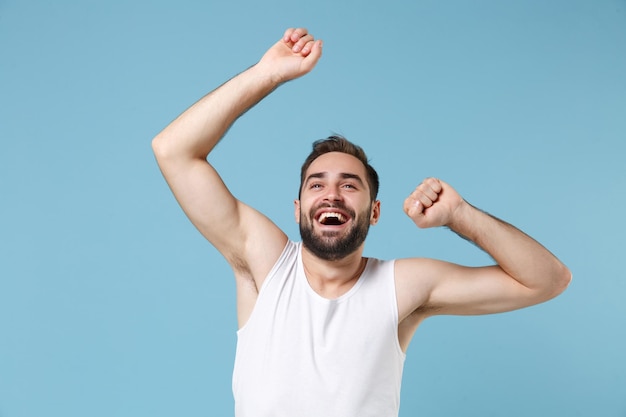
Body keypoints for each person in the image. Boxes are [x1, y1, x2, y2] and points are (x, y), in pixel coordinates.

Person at [152, 27, 571, 417]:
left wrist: (461, 217)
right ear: (298, 208)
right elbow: (173, 150)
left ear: (374, 211)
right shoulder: (265, 263)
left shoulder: (401, 286)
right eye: (317, 185)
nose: (331, 194)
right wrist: (267, 75)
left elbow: (547, 280)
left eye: (349, 186)